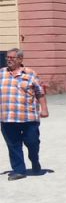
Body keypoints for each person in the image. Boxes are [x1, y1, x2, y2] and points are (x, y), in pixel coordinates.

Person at [0, 48, 48, 180]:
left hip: (28, 117)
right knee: (13, 145)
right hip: (7, 118)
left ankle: (34, 160)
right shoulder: (1, 73)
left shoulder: (30, 74)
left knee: (32, 142)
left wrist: (44, 109)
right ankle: (19, 170)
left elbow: (40, 93)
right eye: (7, 58)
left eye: (12, 58)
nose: (9, 60)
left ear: (20, 59)